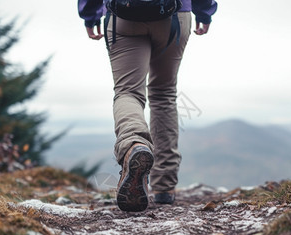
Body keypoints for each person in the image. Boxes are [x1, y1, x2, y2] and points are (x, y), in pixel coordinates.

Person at [78, 0, 217, 212]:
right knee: (163, 93)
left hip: (123, 15)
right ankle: (164, 187)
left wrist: (90, 14)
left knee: (128, 92)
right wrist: (204, 11)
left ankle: (134, 143)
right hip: (174, 15)